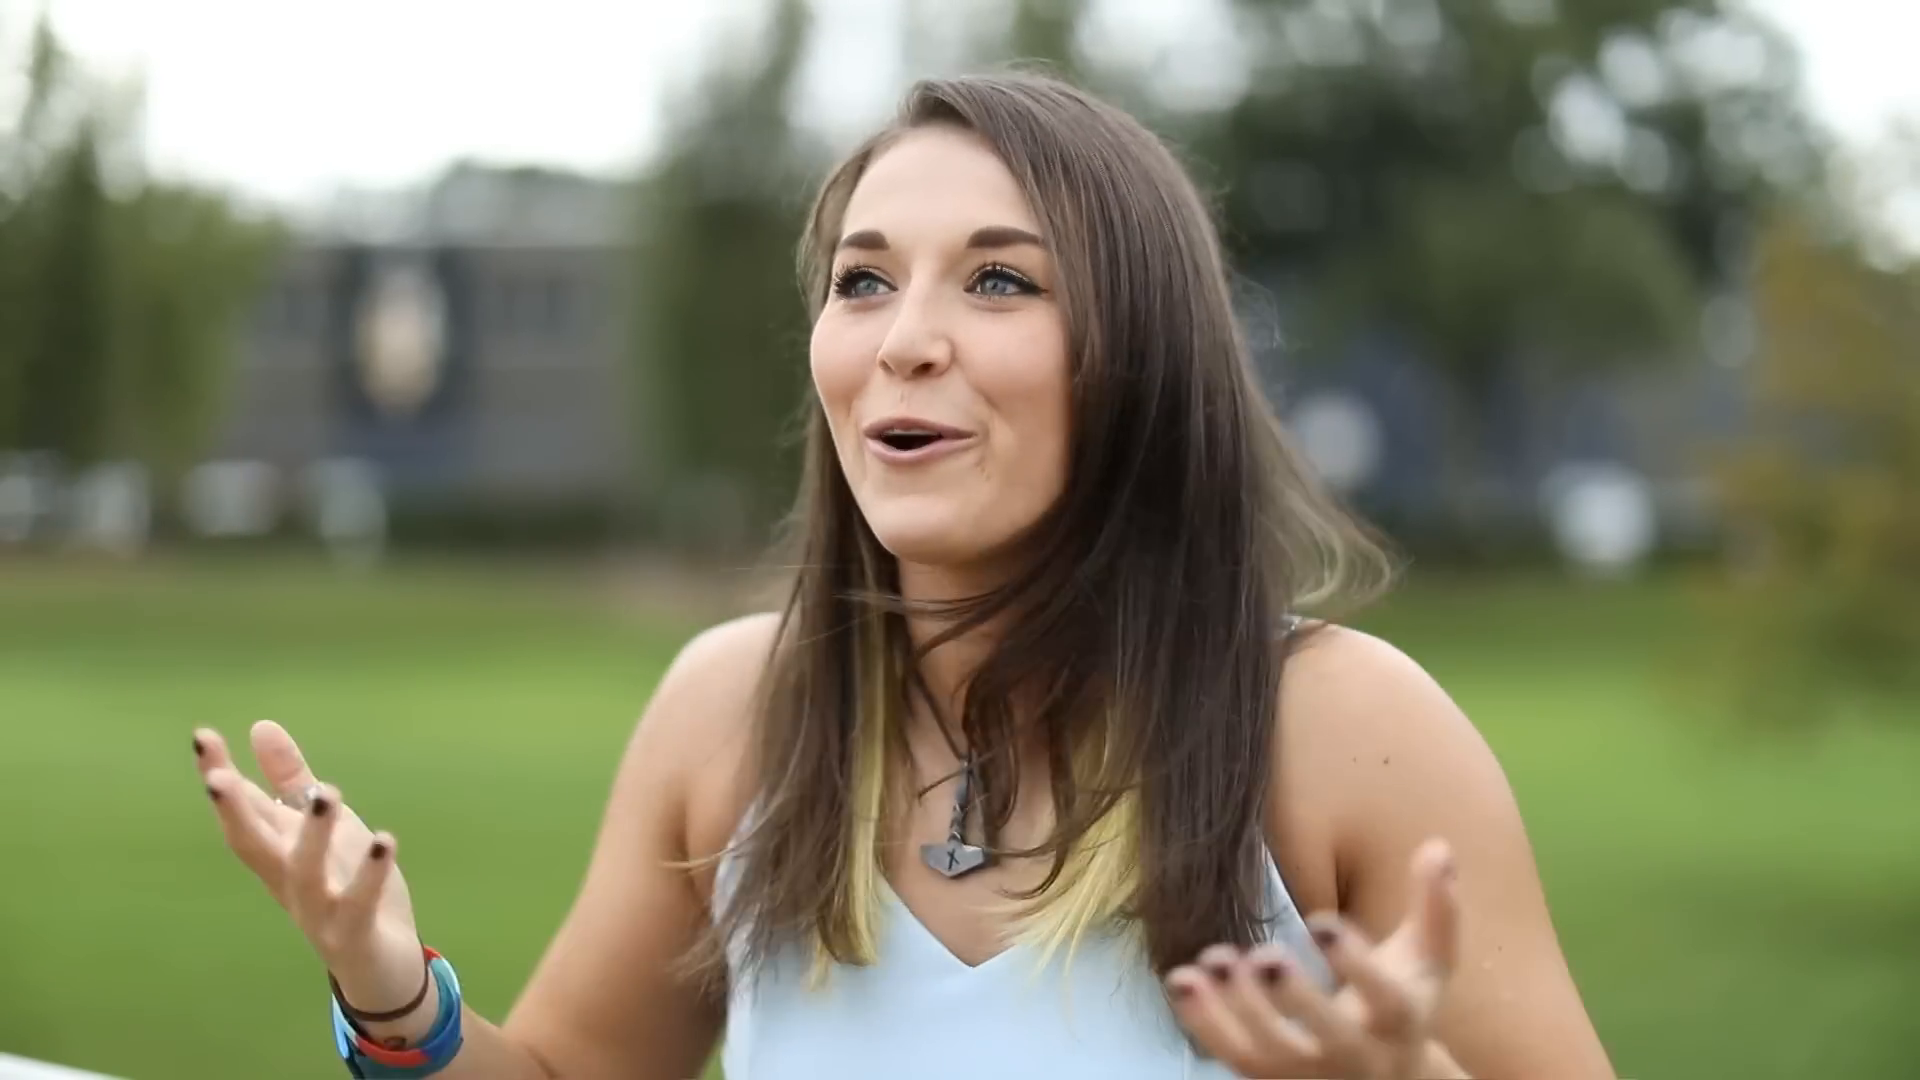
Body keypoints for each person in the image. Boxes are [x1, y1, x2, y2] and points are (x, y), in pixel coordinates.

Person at [191, 71, 1616, 1080]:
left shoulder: (1346, 733)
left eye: (999, 280)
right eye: (864, 280)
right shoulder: (730, 712)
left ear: (1139, 358)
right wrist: (393, 997)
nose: (902, 339)